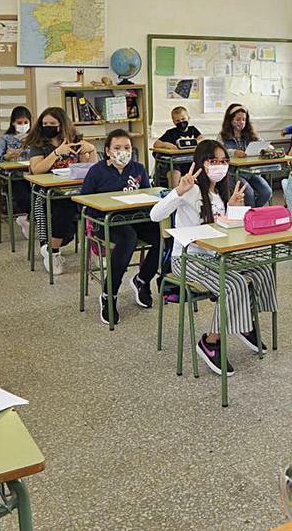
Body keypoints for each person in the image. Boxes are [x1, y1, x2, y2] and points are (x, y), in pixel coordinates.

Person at [150, 140, 268, 376]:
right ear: (201, 163)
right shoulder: (191, 189)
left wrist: (232, 209)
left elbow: (222, 230)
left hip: (214, 256)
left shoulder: (221, 191)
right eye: (213, 162)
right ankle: (210, 341)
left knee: (260, 270)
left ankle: (244, 323)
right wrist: (178, 191)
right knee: (234, 285)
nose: (220, 166)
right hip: (187, 260)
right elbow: (155, 215)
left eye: (224, 162)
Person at [80, 129, 160, 324]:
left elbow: (147, 195)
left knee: (163, 236)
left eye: (127, 148)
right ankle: (109, 294)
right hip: (106, 220)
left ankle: (142, 280)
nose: (122, 151)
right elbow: (83, 203)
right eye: (117, 148)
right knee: (128, 239)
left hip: (135, 217)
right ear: (107, 151)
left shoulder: (138, 168)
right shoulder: (97, 171)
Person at [22, 107, 98, 276]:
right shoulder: (39, 143)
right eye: (45, 123)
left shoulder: (73, 140)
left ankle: (97, 249)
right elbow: (36, 170)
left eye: (53, 123)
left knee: (85, 213)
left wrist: (91, 150)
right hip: (46, 194)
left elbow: (89, 168)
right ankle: (52, 252)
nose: (48, 126)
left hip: (73, 191)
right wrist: (57, 153)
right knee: (62, 210)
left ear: (62, 124)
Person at [0, 106, 33, 239]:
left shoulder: (35, 138)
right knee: (24, 197)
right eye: (19, 123)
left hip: (33, 174)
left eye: (26, 123)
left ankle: (26, 218)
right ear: (13, 123)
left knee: (40, 197)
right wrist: (6, 157)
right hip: (14, 177)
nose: (23, 126)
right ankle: (25, 218)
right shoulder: (5, 139)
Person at [219, 104, 272, 207]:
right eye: (238, 119)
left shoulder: (251, 134)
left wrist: (269, 148)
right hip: (232, 173)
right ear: (230, 120)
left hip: (250, 171)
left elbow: (263, 144)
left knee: (266, 192)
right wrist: (233, 152)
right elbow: (219, 151)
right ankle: (251, 216)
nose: (241, 122)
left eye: (244, 119)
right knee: (248, 192)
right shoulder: (223, 136)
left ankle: (253, 212)